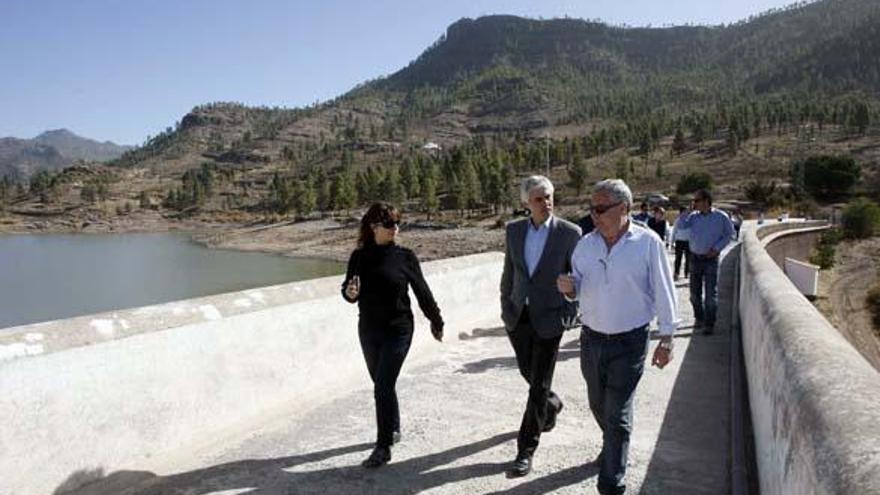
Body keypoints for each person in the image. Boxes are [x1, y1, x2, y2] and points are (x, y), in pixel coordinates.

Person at [557, 179, 678, 495]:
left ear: (624, 208)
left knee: (619, 413)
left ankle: (612, 484)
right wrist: (570, 289)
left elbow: (665, 292)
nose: (594, 215)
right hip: (591, 340)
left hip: (630, 341)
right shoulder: (585, 245)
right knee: (599, 404)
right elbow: (580, 289)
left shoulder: (648, 243)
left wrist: (667, 338)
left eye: (601, 209)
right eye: (592, 209)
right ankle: (611, 445)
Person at [341, 202, 444, 468]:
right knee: (381, 383)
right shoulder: (359, 257)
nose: (396, 228)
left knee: (383, 385)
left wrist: (436, 319)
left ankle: (383, 446)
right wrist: (350, 293)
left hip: (399, 329)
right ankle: (394, 428)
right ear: (374, 227)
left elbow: (422, 291)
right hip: (369, 330)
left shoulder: (405, 256)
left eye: (398, 223)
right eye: (390, 224)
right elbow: (349, 291)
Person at [500, 175, 582, 477]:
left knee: (537, 385)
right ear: (526, 203)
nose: (545, 202)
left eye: (548, 196)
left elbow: (578, 277)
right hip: (518, 316)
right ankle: (552, 404)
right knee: (528, 372)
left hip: (550, 318)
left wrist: (568, 312)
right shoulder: (514, 231)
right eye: (538, 198)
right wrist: (505, 305)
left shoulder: (570, 233)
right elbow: (510, 272)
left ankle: (525, 449)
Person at [678, 189, 735, 334]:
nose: (694, 203)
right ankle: (699, 317)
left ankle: (709, 324)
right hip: (695, 258)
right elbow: (681, 226)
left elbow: (729, 234)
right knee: (694, 295)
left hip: (711, 259)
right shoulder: (693, 217)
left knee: (710, 295)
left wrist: (716, 249)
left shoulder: (720, 217)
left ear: (706, 201)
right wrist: (686, 212)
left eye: (696, 201)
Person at [671, 206, 691, 281]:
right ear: (681, 212)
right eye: (685, 211)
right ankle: (676, 273)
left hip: (688, 241)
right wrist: (672, 242)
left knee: (688, 258)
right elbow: (674, 231)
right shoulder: (677, 221)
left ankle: (687, 273)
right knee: (678, 258)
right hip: (679, 241)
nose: (686, 213)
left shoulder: (690, 220)